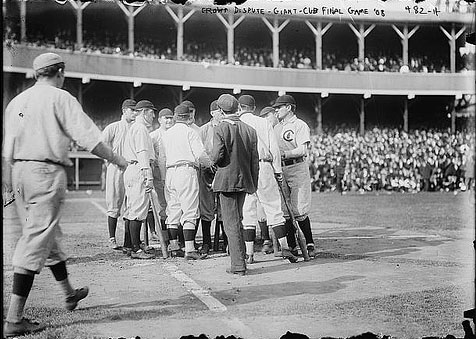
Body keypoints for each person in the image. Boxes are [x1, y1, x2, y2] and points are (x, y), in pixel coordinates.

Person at [2, 52, 128, 337]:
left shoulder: (17, 102)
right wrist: (118, 160)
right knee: (37, 237)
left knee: (48, 234)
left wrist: (8, 185)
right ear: (59, 72)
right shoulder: (61, 98)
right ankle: (14, 318)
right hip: (46, 171)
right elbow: (90, 140)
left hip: (20, 172)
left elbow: (5, 153)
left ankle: (69, 293)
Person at [238, 95, 298, 264]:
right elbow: (274, 150)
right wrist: (278, 171)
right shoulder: (263, 122)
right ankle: (285, 247)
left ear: (239, 108)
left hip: (245, 168)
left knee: (248, 212)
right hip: (264, 166)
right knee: (273, 207)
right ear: (254, 107)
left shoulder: (237, 123)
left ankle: (249, 254)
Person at [211, 94, 259, 275]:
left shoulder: (220, 128)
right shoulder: (250, 130)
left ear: (221, 111)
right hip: (245, 180)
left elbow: (217, 156)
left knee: (231, 223)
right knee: (238, 220)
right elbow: (255, 161)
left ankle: (238, 265)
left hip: (226, 181)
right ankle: (241, 261)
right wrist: (253, 182)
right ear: (237, 108)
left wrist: (212, 163)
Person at [161, 104, 214, 260]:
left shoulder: (166, 134)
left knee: (173, 210)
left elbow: (162, 157)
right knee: (190, 210)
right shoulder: (191, 132)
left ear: (176, 116)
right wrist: (211, 165)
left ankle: (174, 246)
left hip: (170, 171)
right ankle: (189, 249)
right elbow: (201, 155)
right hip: (186, 170)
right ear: (188, 117)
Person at [273, 94, 317, 258]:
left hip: (297, 166)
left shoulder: (300, 125)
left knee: (299, 208)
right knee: (284, 209)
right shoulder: (276, 128)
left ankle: (310, 243)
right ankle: (291, 246)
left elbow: (302, 150)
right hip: (281, 169)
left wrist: (284, 154)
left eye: (280, 107)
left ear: (289, 107)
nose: (276, 110)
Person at [122, 100, 157, 260]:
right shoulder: (141, 128)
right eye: (151, 112)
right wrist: (148, 176)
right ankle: (136, 249)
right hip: (139, 168)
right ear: (143, 112)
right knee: (138, 211)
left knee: (131, 210)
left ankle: (129, 245)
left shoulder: (134, 127)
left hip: (131, 168)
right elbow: (143, 153)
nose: (154, 115)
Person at [102, 99, 137, 250]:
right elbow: (101, 143)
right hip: (116, 167)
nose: (134, 113)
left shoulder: (137, 128)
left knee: (132, 204)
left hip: (132, 167)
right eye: (132, 110)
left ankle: (128, 241)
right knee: (114, 202)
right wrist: (109, 159)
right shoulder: (114, 127)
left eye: (136, 110)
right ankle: (112, 238)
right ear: (124, 111)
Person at [198, 100, 224, 254]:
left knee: (223, 206)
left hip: (222, 169)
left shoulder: (225, 127)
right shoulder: (203, 130)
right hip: (207, 170)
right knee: (206, 206)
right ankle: (206, 241)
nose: (221, 114)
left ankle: (226, 240)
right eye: (218, 111)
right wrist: (208, 164)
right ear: (212, 112)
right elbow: (199, 152)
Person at [149, 108, 175, 247]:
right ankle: (165, 238)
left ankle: (175, 239)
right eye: (166, 118)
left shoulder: (175, 134)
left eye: (171, 118)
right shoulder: (153, 136)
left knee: (175, 206)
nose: (169, 120)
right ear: (159, 120)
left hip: (174, 173)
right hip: (159, 176)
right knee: (163, 206)